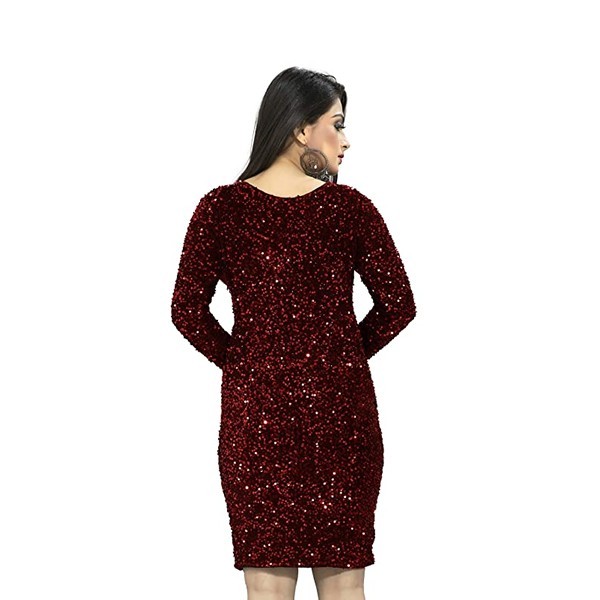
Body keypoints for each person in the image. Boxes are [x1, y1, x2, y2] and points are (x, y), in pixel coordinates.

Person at [171, 66, 417, 600]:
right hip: (336, 412)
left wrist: (250, 364)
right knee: (345, 590)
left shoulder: (221, 209)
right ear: (303, 128)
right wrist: (337, 359)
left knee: (267, 592)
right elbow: (398, 306)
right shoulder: (347, 209)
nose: (346, 141)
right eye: (338, 124)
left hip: (259, 417)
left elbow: (186, 312)